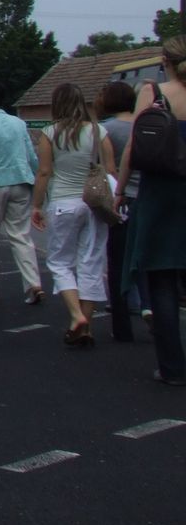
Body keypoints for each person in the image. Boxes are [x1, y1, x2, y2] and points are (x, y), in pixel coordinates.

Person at [116, 35, 186, 385]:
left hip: (160, 194)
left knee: (161, 282)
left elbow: (133, 148)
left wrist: (119, 190)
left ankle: (173, 368)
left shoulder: (153, 93)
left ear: (164, 62)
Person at [31, 82, 114, 348]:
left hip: (63, 203)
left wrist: (36, 205)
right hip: (93, 203)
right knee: (91, 262)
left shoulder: (49, 133)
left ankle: (76, 315)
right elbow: (110, 169)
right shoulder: (99, 131)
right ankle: (85, 326)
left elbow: (44, 171)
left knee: (60, 262)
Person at [0, 80, 44, 305]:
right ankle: (33, 283)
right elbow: (31, 155)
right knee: (21, 234)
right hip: (21, 180)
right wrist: (36, 178)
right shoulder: (18, 123)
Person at [96, 81, 142, 339]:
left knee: (117, 260)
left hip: (120, 199)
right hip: (146, 196)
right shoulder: (142, 125)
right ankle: (145, 306)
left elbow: (103, 167)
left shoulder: (105, 130)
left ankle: (122, 323)